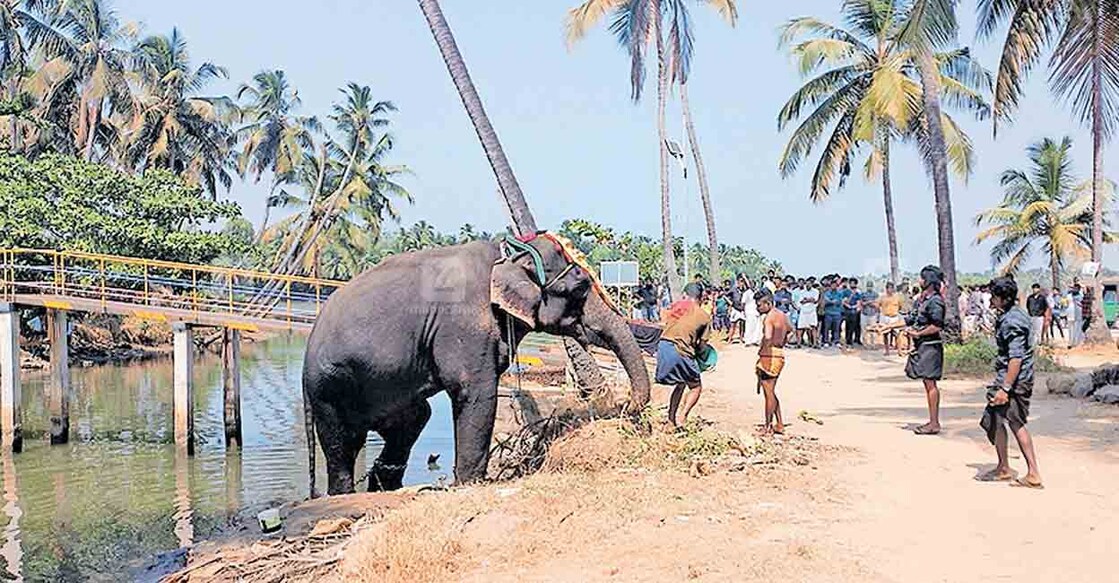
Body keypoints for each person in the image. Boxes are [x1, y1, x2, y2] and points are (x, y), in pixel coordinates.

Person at [978, 276, 1043, 489]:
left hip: (1014, 382)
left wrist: (1005, 388)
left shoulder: (1012, 321)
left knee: (1016, 423)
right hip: (1011, 379)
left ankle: (1033, 473)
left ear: (1003, 298)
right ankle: (1003, 467)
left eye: (994, 297)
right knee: (995, 419)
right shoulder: (1013, 315)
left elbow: (1016, 358)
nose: (991, 301)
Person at [655, 283, 711, 431]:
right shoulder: (703, 316)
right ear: (701, 297)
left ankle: (670, 420)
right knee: (696, 387)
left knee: (680, 384)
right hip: (681, 350)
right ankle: (682, 417)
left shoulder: (676, 308)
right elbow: (703, 346)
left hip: (662, 347)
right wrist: (700, 357)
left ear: (686, 295)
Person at [906, 265, 947, 435]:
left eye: (922, 278)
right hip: (923, 346)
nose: (919, 281)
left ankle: (934, 422)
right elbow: (911, 319)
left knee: (930, 383)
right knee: (926, 382)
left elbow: (937, 326)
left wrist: (918, 333)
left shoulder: (936, 301)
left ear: (928, 281)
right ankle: (932, 420)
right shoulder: (923, 300)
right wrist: (887, 327)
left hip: (930, 347)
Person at [755, 289, 790, 435]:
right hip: (779, 354)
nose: (758, 308)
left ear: (768, 303)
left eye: (760, 305)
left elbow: (768, 336)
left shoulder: (769, 318)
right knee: (771, 392)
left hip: (769, 356)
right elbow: (790, 330)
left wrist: (764, 346)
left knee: (768, 393)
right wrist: (781, 342)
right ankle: (779, 424)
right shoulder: (782, 315)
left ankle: (768, 426)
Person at [878, 282, 904, 355]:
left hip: (894, 317)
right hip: (885, 317)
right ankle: (887, 350)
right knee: (885, 334)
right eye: (889, 288)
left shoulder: (897, 297)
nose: (890, 290)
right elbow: (878, 305)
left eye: (892, 288)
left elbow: (900, 306)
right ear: (886, 289)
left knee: (897, 334)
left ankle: (899, 351)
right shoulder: (882, 297)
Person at [796, 278, 819, 348]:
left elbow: (815, 300)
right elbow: (801, 301)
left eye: (810, 283)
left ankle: (814, 343)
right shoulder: (802, 292)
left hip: (812, 311)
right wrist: (809, 300)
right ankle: (799, 343)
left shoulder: (816, 291)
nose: (808, 285)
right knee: (800, 328)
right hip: (803, 311)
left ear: (812, 284)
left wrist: (806, 300)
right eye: (807, 283)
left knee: (813, 327)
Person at [822, 278, 844, 348]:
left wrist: (831, 301)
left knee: (836, 328)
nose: (833, 286)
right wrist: (832, 301)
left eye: (835, 285)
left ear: (837, 286)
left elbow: (839, 302)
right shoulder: (827, 293)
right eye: (832, 285)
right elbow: (826, 301)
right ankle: (826, 341)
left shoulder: (839, 293)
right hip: (828, 313)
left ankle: (836, 341)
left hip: (837, 313)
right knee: (827, 328)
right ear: (830, 285)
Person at [842, 278, 862, 347]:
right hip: (847, 311)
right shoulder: (846, 291)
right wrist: (851, 295)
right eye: (851, 283)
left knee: (855, 326)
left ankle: (856, 339)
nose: (852, 285)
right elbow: (845, 302)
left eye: (854, 283)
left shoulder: (858, 292)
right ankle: (848, 340)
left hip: (855, 311)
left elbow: (859, 301)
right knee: (848, 326)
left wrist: (855, 306)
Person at [860, 281, 880, 346]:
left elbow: (876, 305)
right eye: (868, 286)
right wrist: (870, 302)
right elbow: (862, 303)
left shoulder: (876, 294)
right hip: (864, 314)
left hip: (873, 314)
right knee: (864, 329)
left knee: (873, 330)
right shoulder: (863, 294)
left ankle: (873, 343)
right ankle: (865, 343)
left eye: (870, 286)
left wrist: (868, 303)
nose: (869, 287)